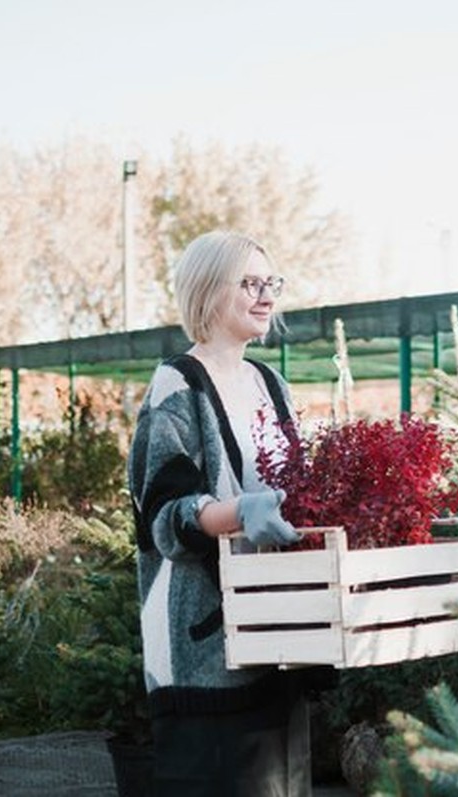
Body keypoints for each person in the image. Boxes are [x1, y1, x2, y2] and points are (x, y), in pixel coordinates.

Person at [127, 230, 310, 796]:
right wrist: (238, 512)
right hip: (207, 651)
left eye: (270, 283)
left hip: (280, 634)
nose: (265, 296)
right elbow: (162, 518)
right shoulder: (177, 385)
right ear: (208, 291)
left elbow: (299, 490)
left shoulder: (271, 385)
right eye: (249, 283)